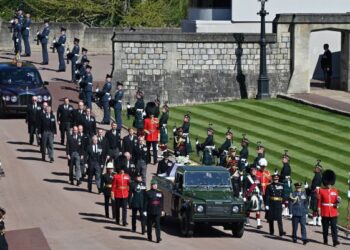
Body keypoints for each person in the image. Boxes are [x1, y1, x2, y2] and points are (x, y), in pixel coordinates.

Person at [318, 169, 340, 247]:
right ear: (326, 182)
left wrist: (338, 202)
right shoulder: (321, 190)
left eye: (330, 183)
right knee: (325, 228)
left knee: (334, 227)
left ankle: (335, 241)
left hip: (333, 212)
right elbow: (319, 201)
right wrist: (319, 209)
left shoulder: (335, 191)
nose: (329, 184)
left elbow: (336, 201)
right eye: (328, 183)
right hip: (325, 212)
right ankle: (325, 240)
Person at [265, 170, 286, 237]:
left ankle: (281, 232)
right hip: (271, 203)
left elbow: (283, 195)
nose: (276, 180)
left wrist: (283, 203)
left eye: (277, 179)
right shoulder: (269, 186)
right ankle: (271, 231)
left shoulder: (281, 186)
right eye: (274, 179)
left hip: (278, 203)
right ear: (273, 179)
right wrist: (267, 204)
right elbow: (267, 196)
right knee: (271, 218)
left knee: (279, 218)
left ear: (278, 179)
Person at [307, 160, 323, 226]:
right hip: (318, 192)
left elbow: (314, 186)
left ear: (318, 169)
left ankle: (314, 221)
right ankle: (318, 221)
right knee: (318, 207)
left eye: (315, 168)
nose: (314, 169)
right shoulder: (319, 175)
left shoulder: (317, 176)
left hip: (315, 193)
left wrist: (308, 187)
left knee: (315, 207)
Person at [280, 151, 292, 217]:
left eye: (284, 158)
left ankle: (285, 210)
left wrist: (277, 176)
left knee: (285, 197)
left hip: (285, 182)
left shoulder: (286, 166)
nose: (282, 159)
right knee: (286, 197)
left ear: (287, 160)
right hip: (287, 182)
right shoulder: (286, 166)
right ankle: (286, 210)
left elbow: (283, 176)